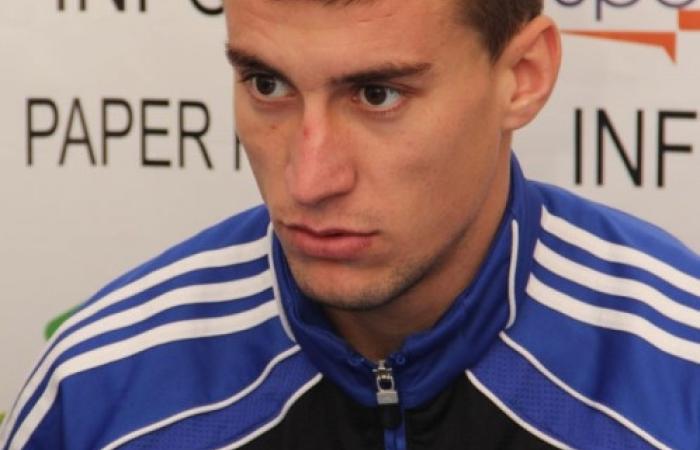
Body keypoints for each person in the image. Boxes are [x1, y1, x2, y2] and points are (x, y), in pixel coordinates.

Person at [1, 0, 699, 448]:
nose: (309, 181)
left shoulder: (680, 377)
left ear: (522, 75)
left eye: (377, 94)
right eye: (268, 85)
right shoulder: (97, 392)